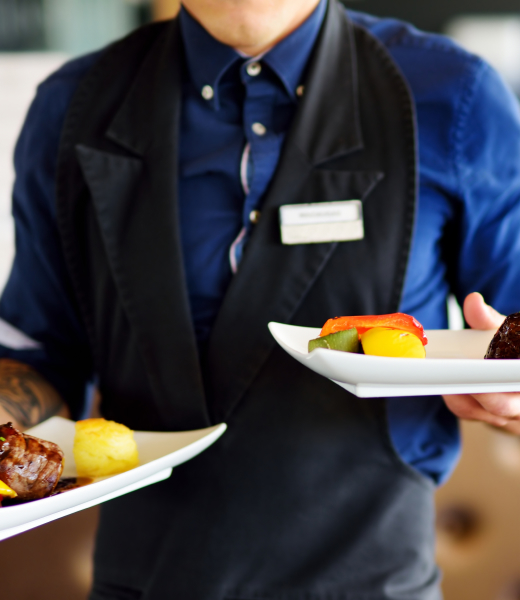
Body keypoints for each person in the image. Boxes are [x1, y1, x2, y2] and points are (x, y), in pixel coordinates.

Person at [1, 0, 520, 597]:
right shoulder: (71, 106)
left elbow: (508, 339)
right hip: (141, 583)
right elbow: (38, 355)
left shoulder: (455, 97)